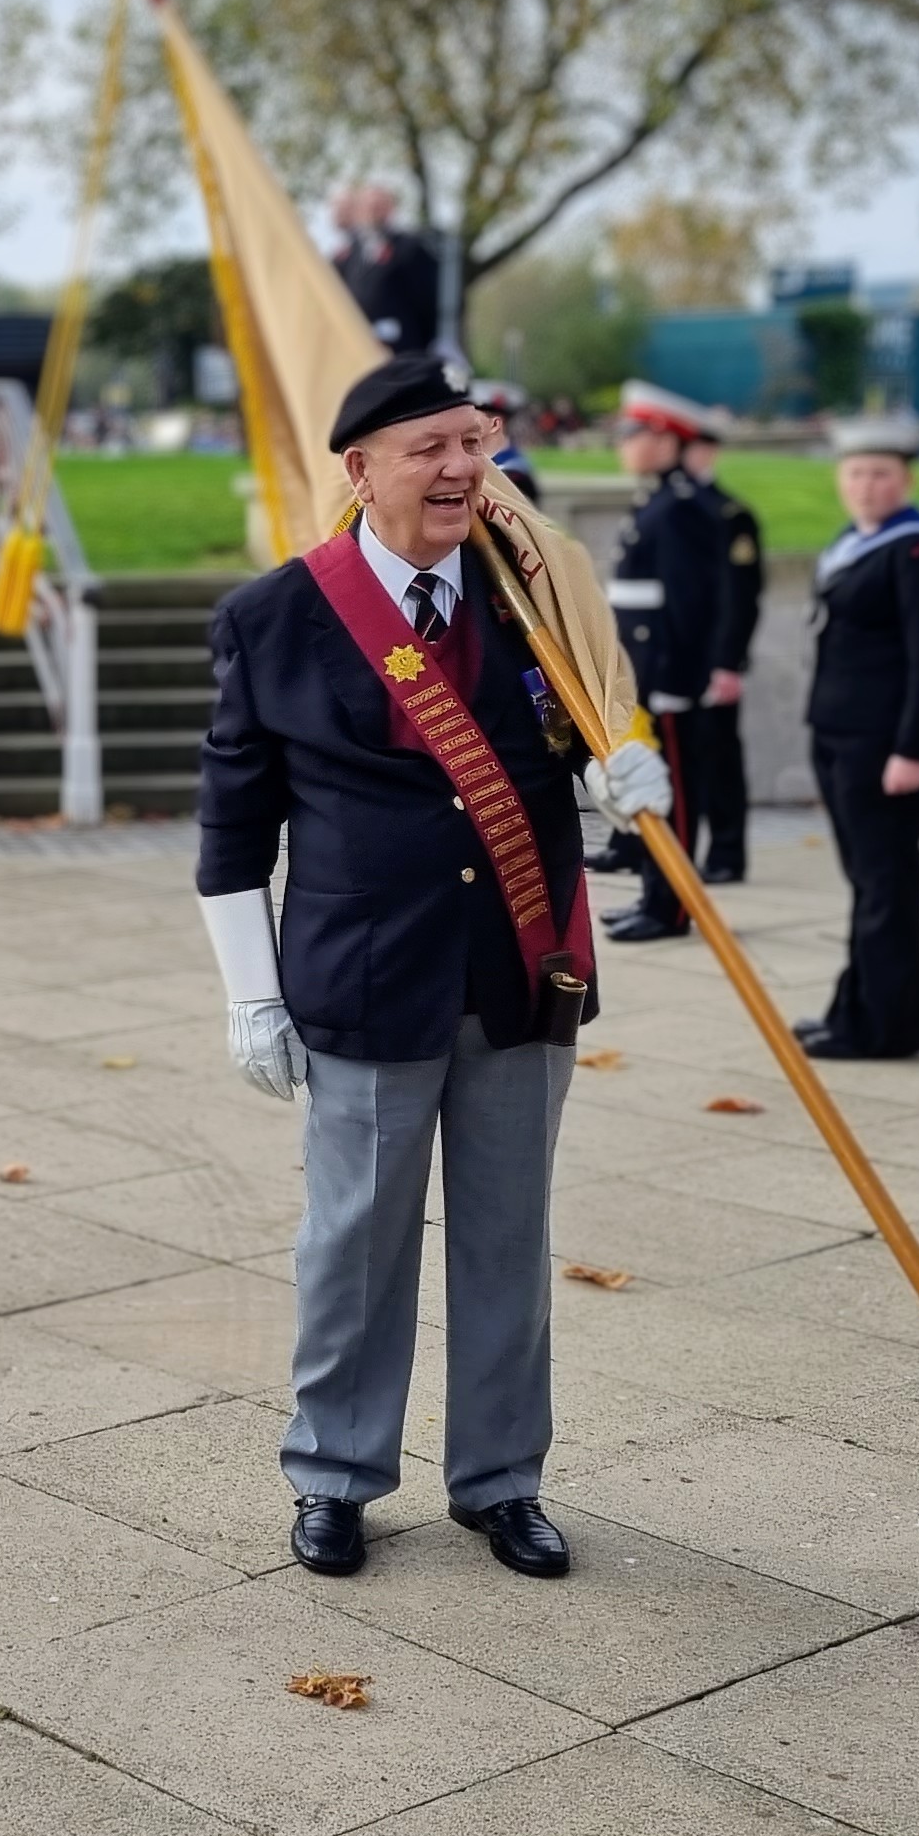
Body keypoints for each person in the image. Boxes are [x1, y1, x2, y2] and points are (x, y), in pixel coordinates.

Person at [196, 356, 671, 1582]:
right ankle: (337, 1475)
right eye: (433, 448)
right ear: (360, 470)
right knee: (354, 1240)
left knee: (510, 1238)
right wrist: (250, 989)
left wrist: (626, 780)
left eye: (475, 443)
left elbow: (592, 726)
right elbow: (234, 825)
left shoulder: (537, 594)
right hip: (362, 976)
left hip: (523, 961)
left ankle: (502, 1481)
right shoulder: (279, 614)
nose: (464, 468)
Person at [801, 421, 919, 1061]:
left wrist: (913, 750)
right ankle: (862, 1011)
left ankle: (880, 1028)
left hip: (886, 746)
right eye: (856, 474)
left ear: (907, 481)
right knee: (871, 885)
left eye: (881, 474)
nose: (866, 486)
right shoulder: (854, 544)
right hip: (841, 734)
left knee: (885, 887)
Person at [598, 385, 739, 942]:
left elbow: (690, 606)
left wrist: (681, 682)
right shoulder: (659, 500)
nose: (625, 445)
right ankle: (656, 895)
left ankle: (671, 907)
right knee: (655, 791)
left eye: (634, 435)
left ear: (664, 439)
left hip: (667, 679)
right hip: (647, 674)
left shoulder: (681, 509)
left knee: (673, 794)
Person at [680, 431, 763, 884]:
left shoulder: (728, 514)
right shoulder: (674, 507)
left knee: (718, 758)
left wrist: (729, 662)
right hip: (677, 659)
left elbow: (740, 598)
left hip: (711, 658)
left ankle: (728, 852)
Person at [330, 182, 442, 359]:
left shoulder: (409, 248)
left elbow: (428, 301)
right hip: (361, 348)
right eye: (368, 206)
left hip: (401, 350)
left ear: (391, 208)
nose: (374, 212)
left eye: (379, 206)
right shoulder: (352, 254)